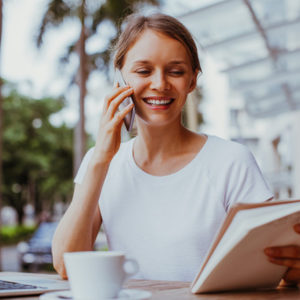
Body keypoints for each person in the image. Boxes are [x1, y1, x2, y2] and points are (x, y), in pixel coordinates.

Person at [52, 13, 300, 285]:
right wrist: (100, 159)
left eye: (176, 71)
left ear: (192, 80)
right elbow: (66, 265)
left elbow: (274, 259)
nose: (160, 83)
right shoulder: (100, 163)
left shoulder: (231, 161)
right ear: (120, 77)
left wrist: (290, 270)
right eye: (143, 71)